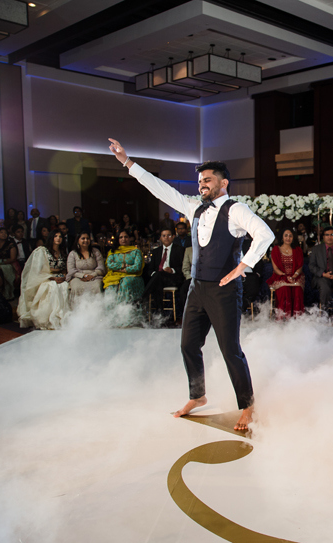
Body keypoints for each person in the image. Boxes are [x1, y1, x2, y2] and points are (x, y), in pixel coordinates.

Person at [109, 138, 274, 433]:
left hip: (224, 290)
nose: (202, 185)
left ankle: (248, 404)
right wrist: (127, 162)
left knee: (230, 350)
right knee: (188, 345)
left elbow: (264, 233)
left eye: (207, 180)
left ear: (223, 183)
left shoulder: (236, 210)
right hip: (197, 289)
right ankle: (197, 396)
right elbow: (159, 189)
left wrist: (242, 266)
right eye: (200, 181)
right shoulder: (194, 207)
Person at [18, 229, 70, 329]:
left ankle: (63, 317)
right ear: (51, 237)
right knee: (52, 287)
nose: (58, 239)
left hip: (60, 277)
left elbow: (64, 268)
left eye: (60, 236)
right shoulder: (42, 250)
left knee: (65, 286)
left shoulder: (63, 252)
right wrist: (52, 277)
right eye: (55, 236)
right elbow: (38, 269)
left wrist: (63, 277)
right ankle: (48, 318)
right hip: (45, 277)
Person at [144, 228, 185, 320]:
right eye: (163, 236)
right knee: (158, 277)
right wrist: (156, 274)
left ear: (173, 237)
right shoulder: (156, 251)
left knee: (158, 277)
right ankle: (160, 313)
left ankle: (144, 298)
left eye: (169, 235)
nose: (166, 238)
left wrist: (172, 270)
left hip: (173, 278)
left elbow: (183, 267)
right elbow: (150, 270)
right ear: (160, 238)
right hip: (159, 278)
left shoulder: (179, 250)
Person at [266, 228, 305, 318]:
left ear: (293, 238)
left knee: (297, 289)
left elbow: (300, 267)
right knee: (284, 288)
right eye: (286, 235)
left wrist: (294, 276)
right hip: (280, 276)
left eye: (290, 236)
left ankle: (297, 318)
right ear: (282, 238)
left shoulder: (297, 250)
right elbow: (275, 268)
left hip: (296, 276)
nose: (288, 238)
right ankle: (283, 318)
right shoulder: (276, 249)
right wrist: (285, 276)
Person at [103, 229, 144, 304]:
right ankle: (110, 314)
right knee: (110, 287)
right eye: (121, 237)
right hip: (114, 276)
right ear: (118, 239)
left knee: (125, 283)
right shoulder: (113, 251)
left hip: (132, 277)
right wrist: (124, 265)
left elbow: (137, 267)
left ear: (129, 238)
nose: (123, 239)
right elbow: (109, 264)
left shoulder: (136, 251)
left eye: (126, 237)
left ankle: (124, 312)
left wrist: (121, 270)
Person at [66, 232, 105, 302]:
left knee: (97, 286)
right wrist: (83, 276)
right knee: (76, 287)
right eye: (83, 238)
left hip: (95, 276)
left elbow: (101, 267)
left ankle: (98, 310)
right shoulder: (73, 254)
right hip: (78, 277)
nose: (86, 240)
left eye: (87, 238)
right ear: (78, 240)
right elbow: (71, 270)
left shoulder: (96, 251)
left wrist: (92, 275)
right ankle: (78, 311)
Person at [0, 227, 19, 300]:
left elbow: (13, 258)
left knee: (4, 269)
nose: (3, 234)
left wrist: (1, 263)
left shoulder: (10, 244)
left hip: (7, 264)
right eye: (1, 232)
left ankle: (8, 294)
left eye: (5, 233)